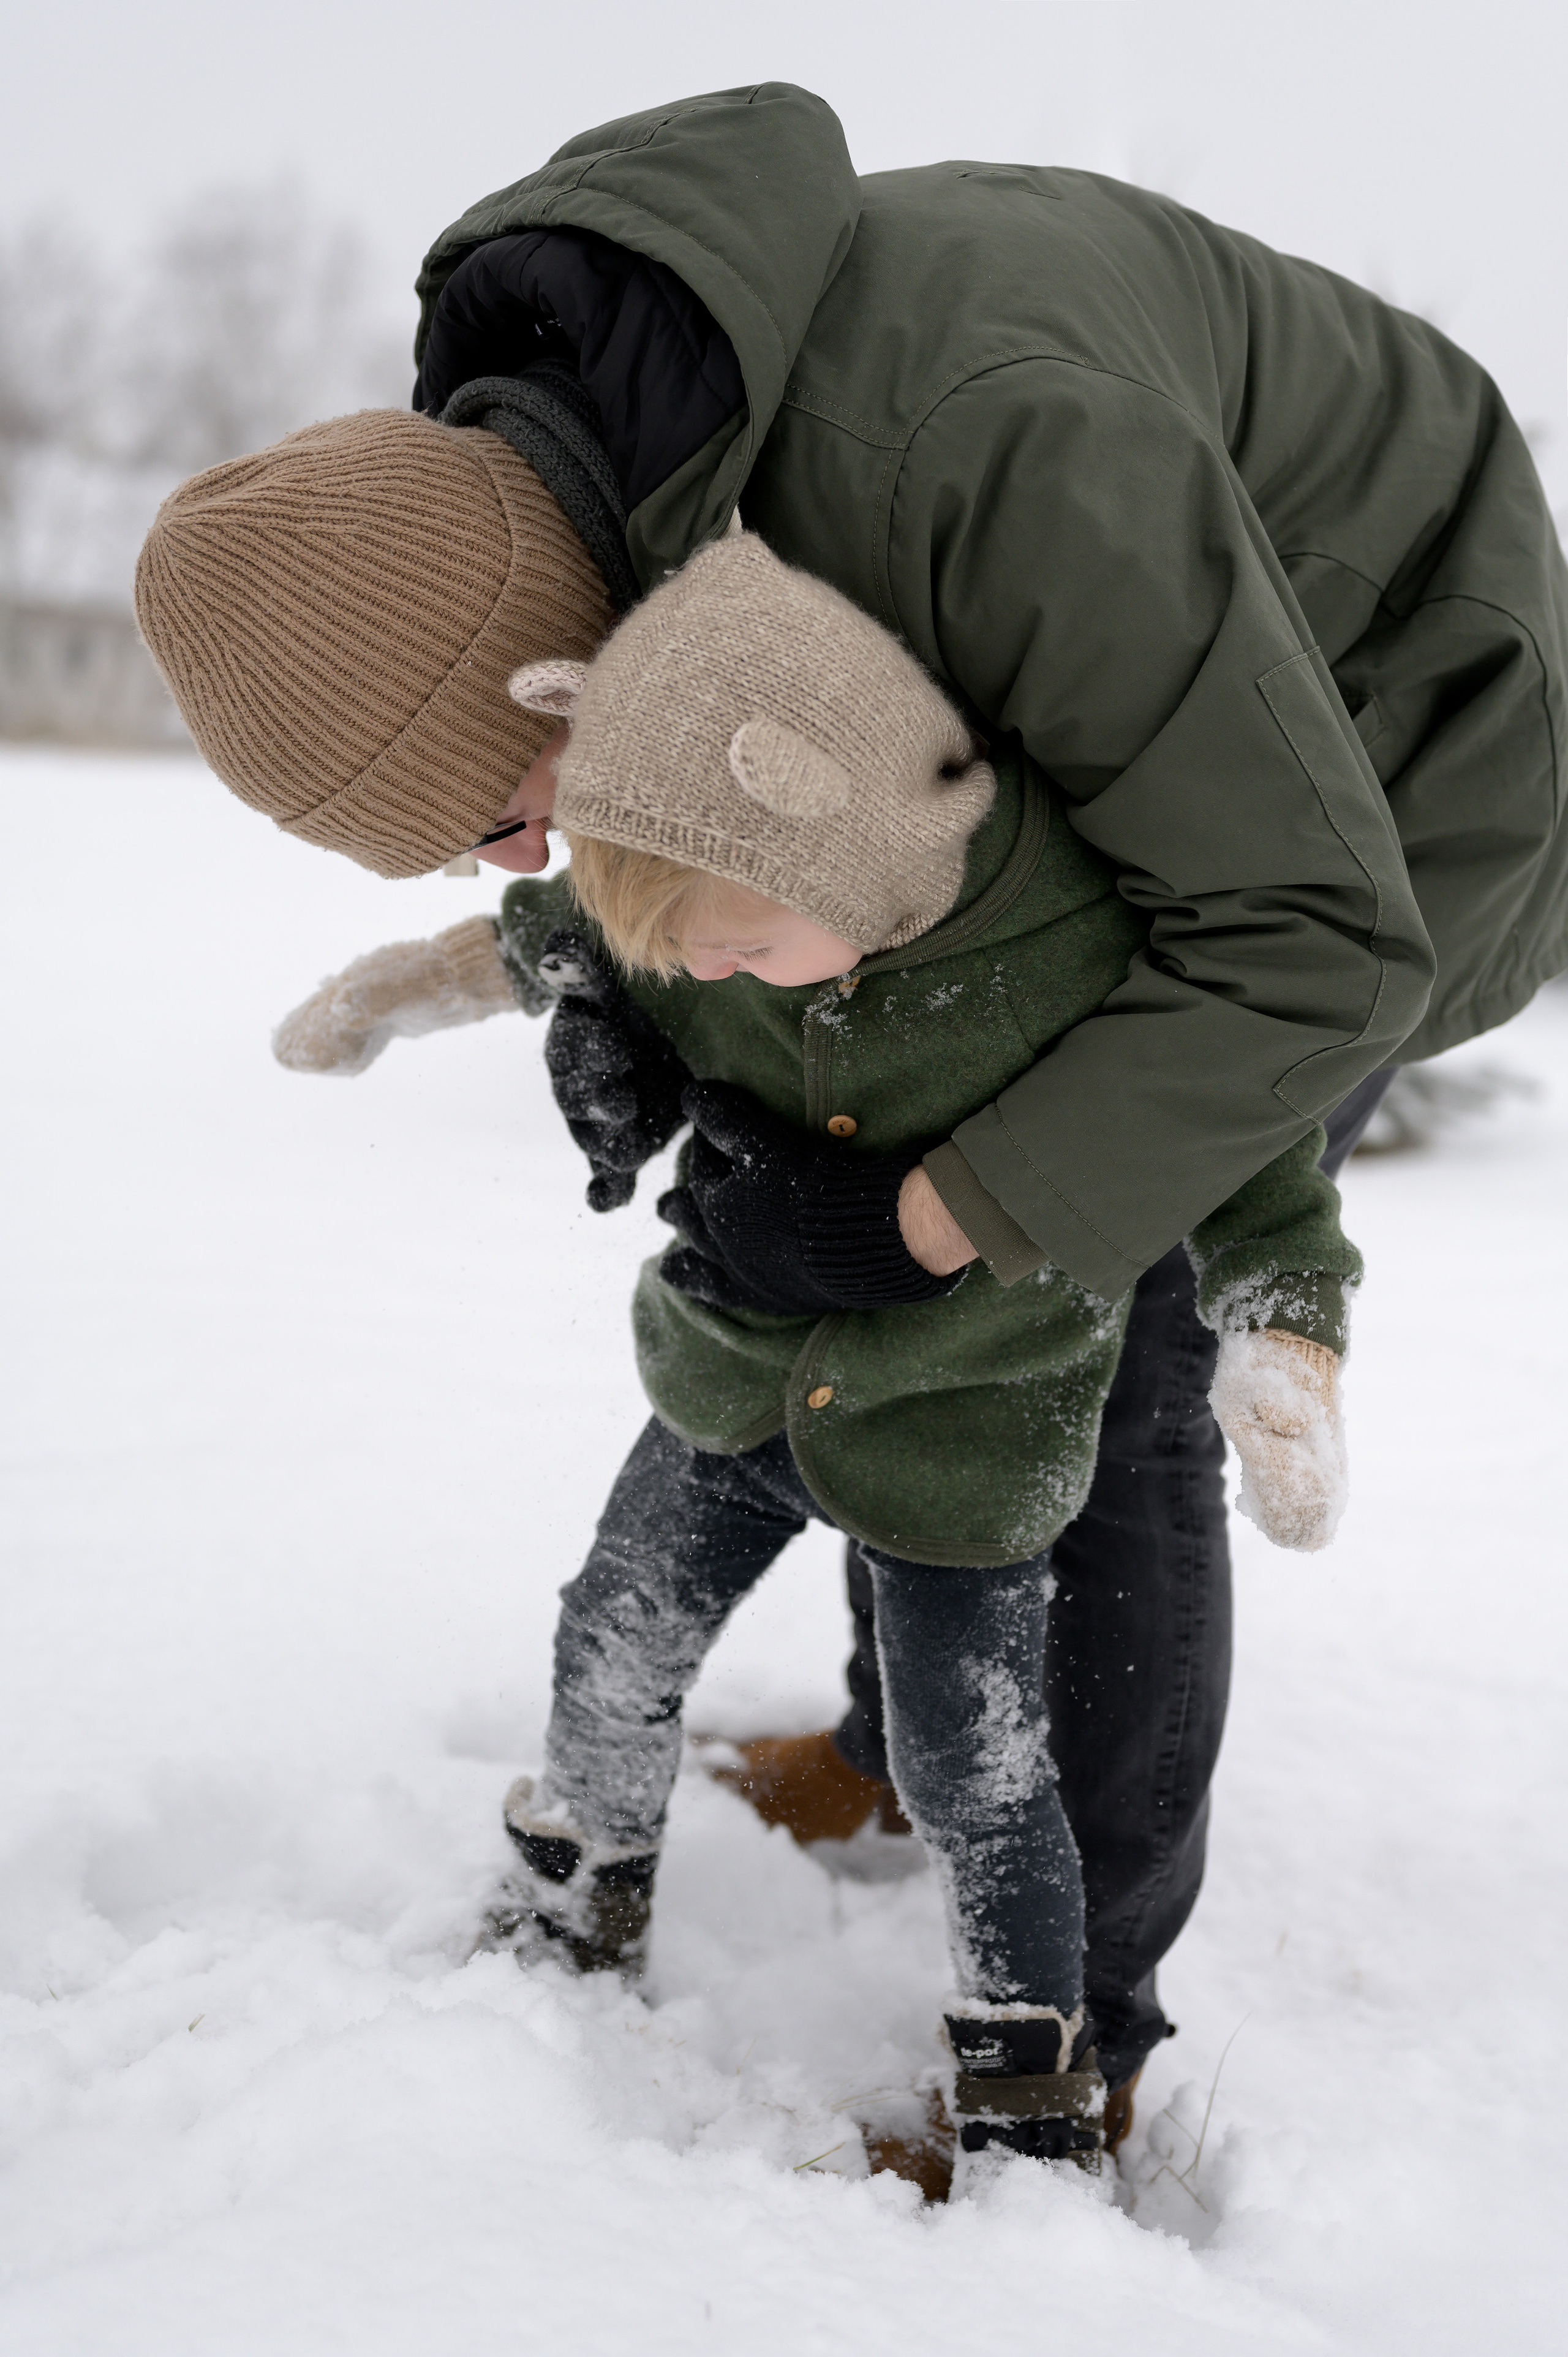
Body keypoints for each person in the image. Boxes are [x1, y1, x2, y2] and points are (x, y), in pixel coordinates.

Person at [134, 80, 1568, 2162]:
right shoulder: (580, 506)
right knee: (927, 1210)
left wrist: (924, 1222)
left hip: (1381, 744)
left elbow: (1299, 944)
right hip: (1119, 704)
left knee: (1116, 1342)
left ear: (555, 670)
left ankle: (1093, 2030)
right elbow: (745, 832)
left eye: (499, 821)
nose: (507, 865)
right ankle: (907, 1752)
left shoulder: (980, 455)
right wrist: (643, 979)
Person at [267, 531, 1361, 2182]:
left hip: (968, 1434)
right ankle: (574, 1904)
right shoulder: (723, 902)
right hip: (730, 1373)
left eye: (733, 946)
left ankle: (1031, 2084)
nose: (703, 976)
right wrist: (410, 986)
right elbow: (569, 933)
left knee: (976, 1767)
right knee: (612, 1637)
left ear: (844, 847)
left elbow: (1249, 1146)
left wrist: (1287, 1352)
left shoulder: (1079, 957)